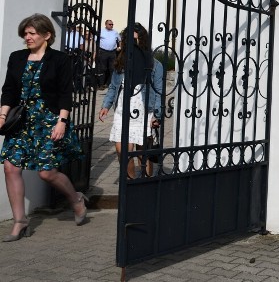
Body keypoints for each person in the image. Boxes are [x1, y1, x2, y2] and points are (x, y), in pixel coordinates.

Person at [1, 14, 88, 241]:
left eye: (32, 33)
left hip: (48, 121)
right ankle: (20, 221)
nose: (27, 38)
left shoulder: (60, 60)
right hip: (21, 121)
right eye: (25, 34)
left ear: (47, 35)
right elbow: (9, 88)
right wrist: (2, 115)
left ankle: (76, 199)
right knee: (10, 167)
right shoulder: (17, 57)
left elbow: (65, 93)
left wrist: (62, 121)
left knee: (46, 172)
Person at [98, 23, 164, 178]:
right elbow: (114, 87)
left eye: (136, 41)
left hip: (144, 111)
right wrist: (106, 105)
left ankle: (146, 186)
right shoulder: (121, 62)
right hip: (123, 110)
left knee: (143, 154)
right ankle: (131, 182)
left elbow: (159, 91)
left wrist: (157, 115)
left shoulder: (154, 64)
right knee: (123, 151)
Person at [96, 19, 120, 89]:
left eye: (112, 24)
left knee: (112, 68)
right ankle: (101, 84)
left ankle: (109, 84)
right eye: (110, 24)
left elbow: (119, 40)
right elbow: (96, 41)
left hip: (112, 52)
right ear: (106, 24)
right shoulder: (101, 31)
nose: (111, 26)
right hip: (103, 51)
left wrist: (119, 47)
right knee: (102, 68)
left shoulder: (115, 32)